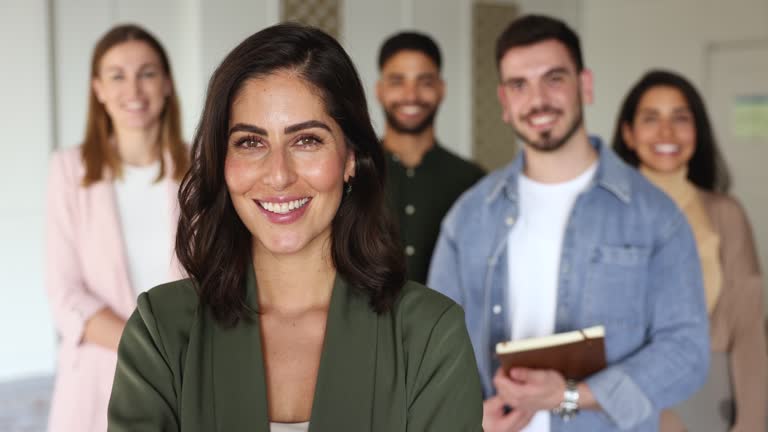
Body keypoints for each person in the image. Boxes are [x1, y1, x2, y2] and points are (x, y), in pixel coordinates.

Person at [107, 23, 483, 432]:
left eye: (306, 140)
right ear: (222, 161)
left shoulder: (429, 332)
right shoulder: (160, 329)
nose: (279, 175)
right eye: (251, 142)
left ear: (351, 157)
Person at [427, 15, 709, 431]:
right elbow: (433, 346)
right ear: (504, 102)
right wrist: (463, 414)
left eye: (553, 78)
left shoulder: (655, 216)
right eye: (519, 85)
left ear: (585, 85)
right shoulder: (469, 216)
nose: (538, 100)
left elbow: (687, 351)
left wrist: (570, 395)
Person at [45, 24, 188, 432]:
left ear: (166, 84)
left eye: (147, 73)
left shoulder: (201, 169)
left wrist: (172, 357)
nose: (134, 90)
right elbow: (65, 293)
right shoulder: (69, 170)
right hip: (98, 376)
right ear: (98, 89)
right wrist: (146, 348)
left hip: (185, 371)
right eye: (117, 76)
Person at [613, 69, 767, 432]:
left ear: (697, 131)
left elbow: (749, 330)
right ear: (629, 134)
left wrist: (752, 424)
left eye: (680, 118)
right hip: (622, 396)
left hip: (707, 398)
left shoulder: (725, 214)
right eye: (651, 119)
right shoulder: (605, 214)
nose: (666, 132)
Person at [376, 31, 485, 283]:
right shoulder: (352, 171)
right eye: (397, 81)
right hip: (363, 322)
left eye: (424, 82)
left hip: (447, 322)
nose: (411, 95)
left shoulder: (471, 180)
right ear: (380, 91)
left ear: (441, 89)